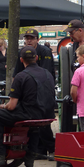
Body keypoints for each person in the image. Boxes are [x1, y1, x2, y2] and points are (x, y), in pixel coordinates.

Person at [0, 46, 56, 167]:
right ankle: (30, 156)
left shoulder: (20, 76)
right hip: (47, 114)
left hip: (29, 114)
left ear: (21, 60)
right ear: (36, 58)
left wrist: (3, 106)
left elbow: (12, 106)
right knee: (33, 124)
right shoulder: (48, 74)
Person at [13, 29, 55, 159]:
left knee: (43, 123)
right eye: (27, 38)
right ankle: (39, 150)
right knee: (35, 123)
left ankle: (51, 148)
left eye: (31, 38)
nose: (28, 40)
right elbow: (17, 75)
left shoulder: (45, 52)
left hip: (44, 91)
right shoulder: (23, 52)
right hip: (31, 93)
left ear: (38, 39)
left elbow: (45, 76)